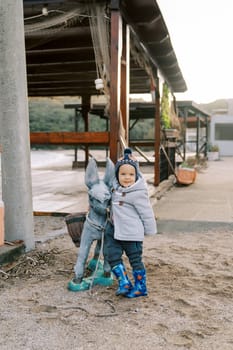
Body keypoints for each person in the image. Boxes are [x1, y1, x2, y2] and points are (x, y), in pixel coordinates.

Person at [106, 148, 157, 298]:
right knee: (112, 256)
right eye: (123, 174)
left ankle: (141, 287)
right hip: (114, 231)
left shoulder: (138, 193)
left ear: (136, 175)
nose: (127, 178)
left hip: (132, 234)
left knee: (135, 259)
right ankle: (124, 282)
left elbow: (147, 213)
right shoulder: (115, 190)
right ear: (117, 175)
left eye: (131, 174)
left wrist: (150, 230)